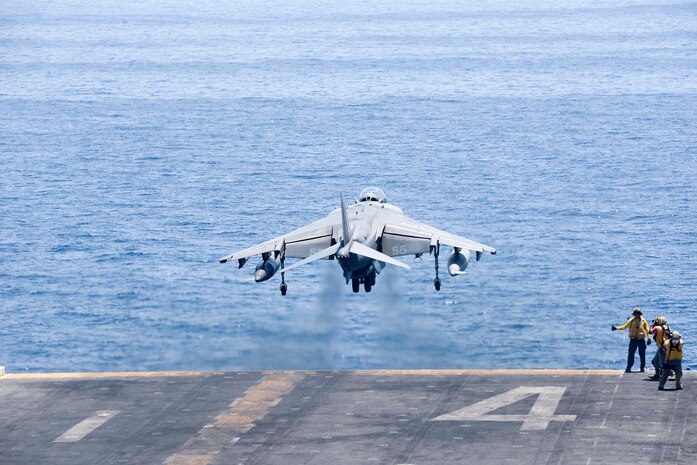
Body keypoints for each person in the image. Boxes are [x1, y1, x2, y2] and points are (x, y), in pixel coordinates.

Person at [612, 307, 651, 373]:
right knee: (631, 354)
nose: (637, 314)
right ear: (634, 314)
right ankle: (628, 367)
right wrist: (616, 328)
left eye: (638, 313)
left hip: (641, 340)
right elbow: (624, 327)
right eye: (636, 313)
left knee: (642, 354)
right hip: (633, 340)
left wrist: (649, 338)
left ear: (640, 314)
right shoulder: (631, 320)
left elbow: (648, 330)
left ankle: (642, 367)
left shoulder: (643, 321)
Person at [648, 316, 671, 380]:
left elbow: (650, 331)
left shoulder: (657, 328)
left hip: (661, 349)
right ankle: (657, 374)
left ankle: (667, 374)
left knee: (662, 364)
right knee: (655, 361)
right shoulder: (667, 327)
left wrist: (652, 325)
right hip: (666, 347)